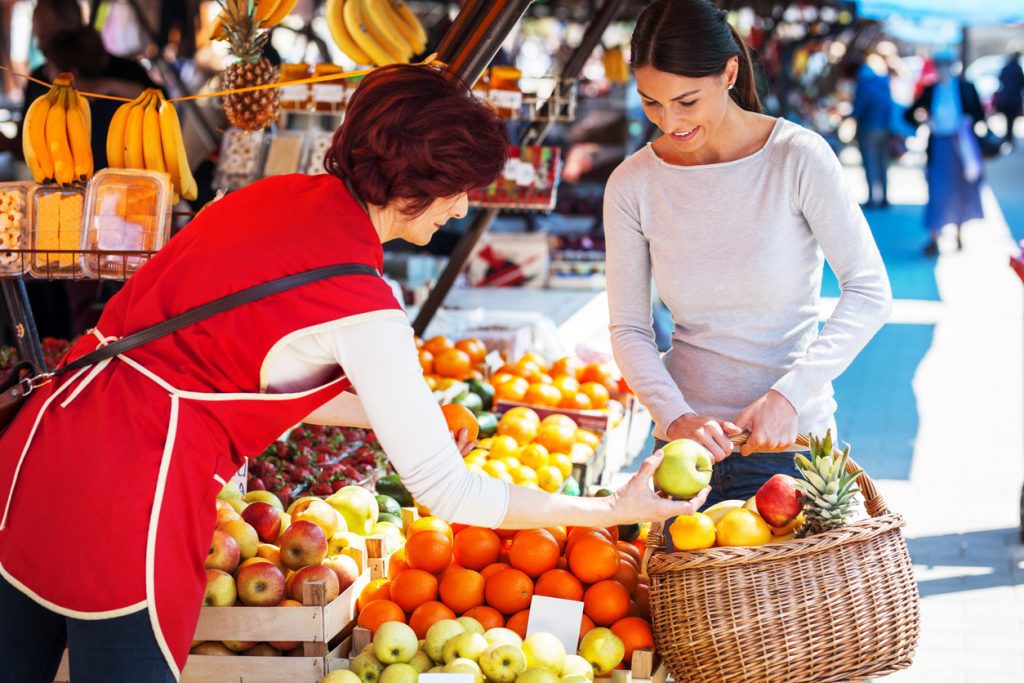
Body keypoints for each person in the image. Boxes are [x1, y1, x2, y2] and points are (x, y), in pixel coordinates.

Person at [0, 64, 706, 682]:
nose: (463, 207)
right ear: (417, 185)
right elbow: (451, 491)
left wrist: (398, 414)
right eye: (459, 189)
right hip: (132, 500)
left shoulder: (265, 198)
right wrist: (613, 511)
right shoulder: (363, 303)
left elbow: (235, 369)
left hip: (40, 450)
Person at [603, 0, 892, 511]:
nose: (670, 122)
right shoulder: (632, 184)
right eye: (652, 103)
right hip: (684, 453)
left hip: (793, 449)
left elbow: (869, 291)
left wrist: (790, 396)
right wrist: (674, 417)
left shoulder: (797, 158)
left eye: (686, 101)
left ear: (729, 72)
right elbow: (629, 328)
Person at [905, 49, 986, 255]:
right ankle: (934, 238)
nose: (943, 70)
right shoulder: (931, 89)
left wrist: (968, 120)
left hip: (961, 147)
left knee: (960, 190)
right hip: (939, 147)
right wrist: (924, 119)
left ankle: (959, 234)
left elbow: (979, 114)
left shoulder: (966, 88)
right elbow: (910, 113)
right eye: (939, 65)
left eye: (946, 65)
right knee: (937, 192)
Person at [851, 55, 895, 208]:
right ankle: (884, 197)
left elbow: (859, 106)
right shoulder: (883, 82)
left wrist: (851, 115)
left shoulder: (863, 84)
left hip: (868, 127)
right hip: (884, 127)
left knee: (870, 162)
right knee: (882, 163)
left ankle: (872, 197)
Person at [995, 50, 1023, 148]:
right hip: (1014, 99)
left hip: (1005, 98)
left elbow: (1000, 79)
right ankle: (1009, 138)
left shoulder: (1006, 67)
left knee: (1008, 119)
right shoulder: (1018, 69)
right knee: (1011, 119)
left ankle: (1007, 138)